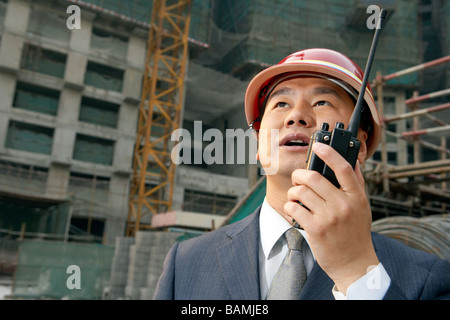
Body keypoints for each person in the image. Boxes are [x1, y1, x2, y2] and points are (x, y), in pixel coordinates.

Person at [153, 48, 450, 300]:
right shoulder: (187, 264)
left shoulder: (424, 277)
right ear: (258, 144)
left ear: (357, 144)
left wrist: (355, 270)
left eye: (323, 102)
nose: (296, 115)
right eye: (281, 103)